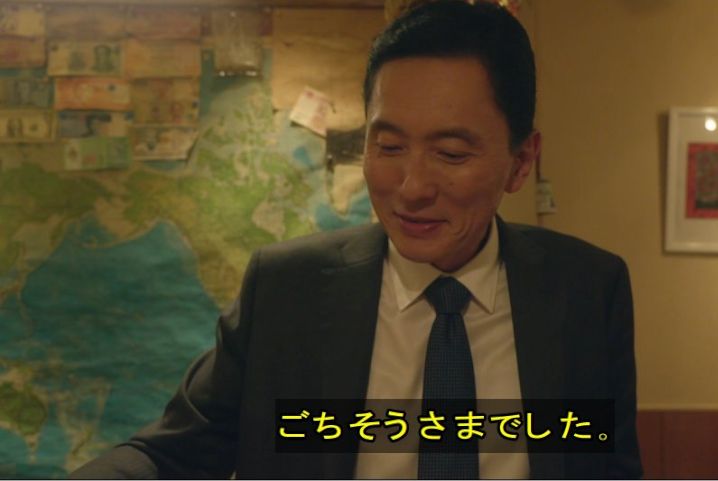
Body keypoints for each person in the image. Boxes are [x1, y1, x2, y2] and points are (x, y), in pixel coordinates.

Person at [71, 1, 642, 478]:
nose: (411, 188)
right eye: (388, 147)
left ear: (521, 161)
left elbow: (608, 465)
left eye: (450, 153)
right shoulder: (288, 290)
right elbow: (169, 455)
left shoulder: (587, 292)